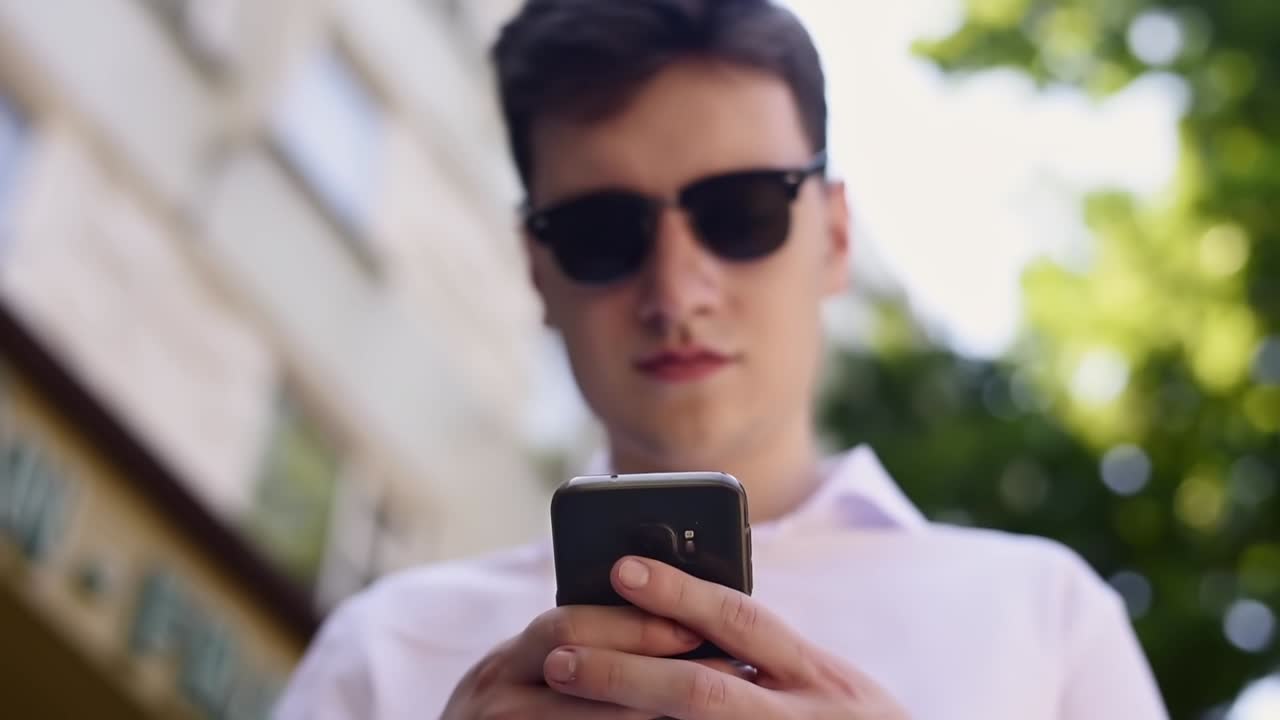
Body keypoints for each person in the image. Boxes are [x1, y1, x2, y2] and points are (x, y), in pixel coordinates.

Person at [274, 1, 1169, 718]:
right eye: (601, 232)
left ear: (836, 236)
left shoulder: (1044, 621)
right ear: (536, 272)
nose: (677, 290)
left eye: (742, 212)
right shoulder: (387, 650)